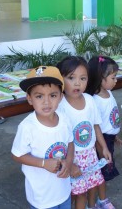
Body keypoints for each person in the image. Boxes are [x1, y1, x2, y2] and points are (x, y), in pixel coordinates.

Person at [11, 66, 74, 209]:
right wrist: (44, 163)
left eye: (52, 95)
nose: (46, 102)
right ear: (29, 99)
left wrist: (69, 162)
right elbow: (17, 155)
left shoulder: (64, 119)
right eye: (39, 96)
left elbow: (70, 143)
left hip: (64, 191)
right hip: (42, 197)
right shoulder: (27, 127)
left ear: (61, 97)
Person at [56, 56, 112, 209]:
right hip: (72, 158)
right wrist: (69, 163)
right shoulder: (60, 106)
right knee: (77, 193)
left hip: (91, 155)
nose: (77, 83)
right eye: (71, 78)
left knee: (91, 186)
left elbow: (95, 127)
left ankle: (92, 206)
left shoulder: (90, 100)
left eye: (82, 78)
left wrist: (104, 148)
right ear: (60, 79)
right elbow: (58, 138)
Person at [85, 55, 122, 209]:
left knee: (102, 175)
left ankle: (102, 199)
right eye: (113, 77)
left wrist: (115, 135)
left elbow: (108, 121)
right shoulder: (95, 100)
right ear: (101, 78)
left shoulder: (109, 93)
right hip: (102, 142)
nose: (116, 80)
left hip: (109, 139)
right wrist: (102, 147)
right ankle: (93, 203)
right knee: (99, 174)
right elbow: (96, 126)